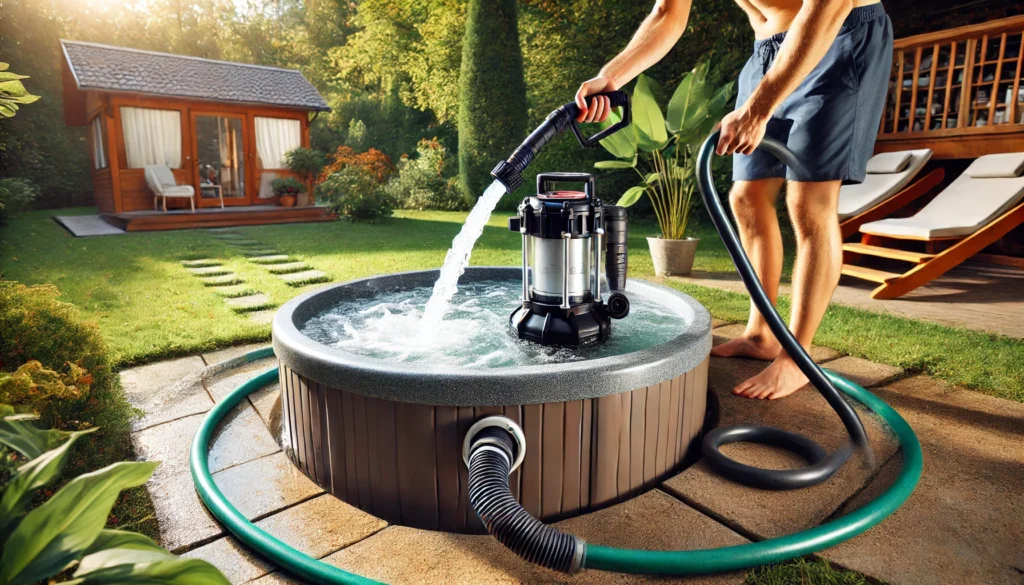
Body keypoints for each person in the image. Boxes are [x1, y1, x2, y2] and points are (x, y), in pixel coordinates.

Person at [576, 0, 892, 400]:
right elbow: (667, 14)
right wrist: (612, 76)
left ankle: (797, 357)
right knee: (747, 197)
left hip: (837, 35)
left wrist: (759, 108)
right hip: (768, 50)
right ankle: (762, 335)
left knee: (809, 202)